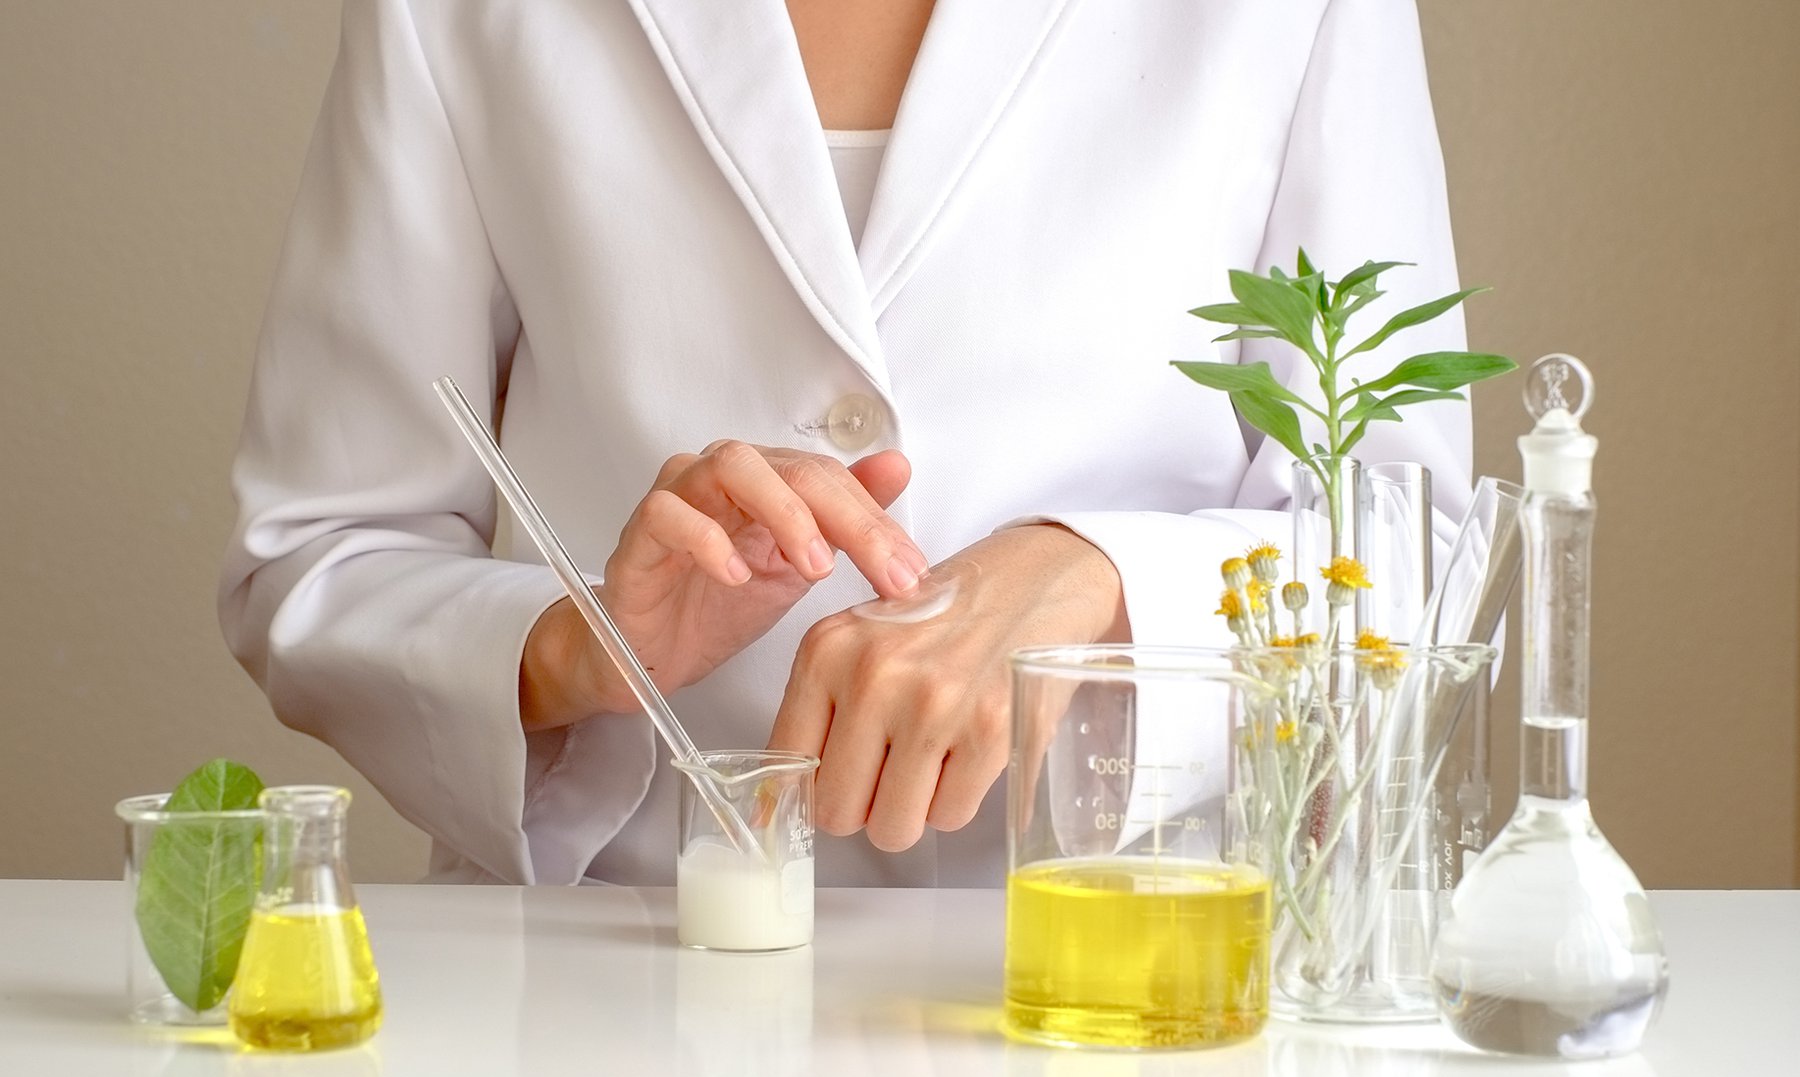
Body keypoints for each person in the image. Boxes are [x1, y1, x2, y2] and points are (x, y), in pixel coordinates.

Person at [220, 0, 1473, 885]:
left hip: (1129, 966)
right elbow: (319, 552)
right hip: (617, 972)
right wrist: (573, 647)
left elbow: (1414, 548)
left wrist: (1096, 585)